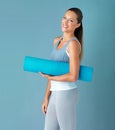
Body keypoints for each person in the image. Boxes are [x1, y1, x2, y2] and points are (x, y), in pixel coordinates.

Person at [39, 7, 83, 130]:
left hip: (66, 93)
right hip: (55, 93)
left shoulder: (73, 44)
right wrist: (46, 98)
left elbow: (74, 75)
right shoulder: (57, 41)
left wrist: (52, 77)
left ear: (77, 25)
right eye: (64, 18)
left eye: (71, 20)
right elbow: (52, 73)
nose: (65, 22)